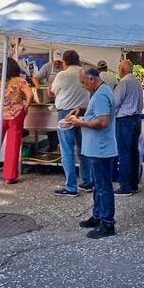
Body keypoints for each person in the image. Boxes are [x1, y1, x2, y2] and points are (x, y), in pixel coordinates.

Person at [67, 67, 118, 239]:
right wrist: (81, 115)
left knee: (103, 187)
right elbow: (96, 115)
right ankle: (98, 216)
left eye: (83, 82)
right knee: (98, 185)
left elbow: (103, 121)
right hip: (97, 148)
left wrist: (80, 123)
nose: (83, 86)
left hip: (101, 149)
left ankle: (107, 223)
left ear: (91, 79)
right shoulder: (100, 92)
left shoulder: (102, 94)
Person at [0, 58, 32, 184]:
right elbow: (30, 95)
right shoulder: (20, 81)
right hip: (17, 115)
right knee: (13, 145)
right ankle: (10, 176)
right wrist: (26, 107)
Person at [51, 50, 92, 196]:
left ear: (64, 61)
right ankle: (87, 182)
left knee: (67, 150)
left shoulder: (62, 75)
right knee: (83, 149)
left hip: (66, 114)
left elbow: (52, 91)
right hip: (83, 113)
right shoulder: (84, 73)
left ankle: (71, 187)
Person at [113, 59, 143, 196]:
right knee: (134, 152)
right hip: (136, 118)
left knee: (124, 154)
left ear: (122, 70)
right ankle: (134, 183)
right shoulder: (137, 82)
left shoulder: (123, 82)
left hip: (125, 120)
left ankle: (125, 186)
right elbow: (141, 103)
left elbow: (115, 102)